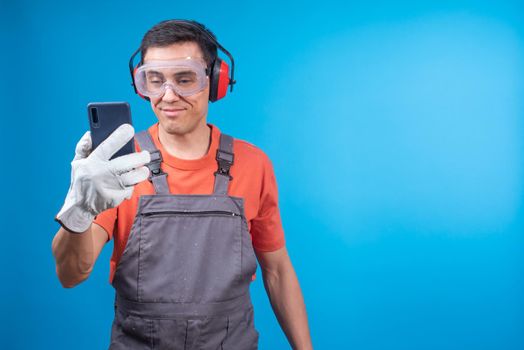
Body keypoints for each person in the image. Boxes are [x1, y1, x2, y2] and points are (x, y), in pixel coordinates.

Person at [51, 19, 312, 349]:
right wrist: (79, 209)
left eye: (184, 79)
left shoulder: (254, 163)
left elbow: (277, 271)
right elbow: (70, 274)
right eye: (154, 81)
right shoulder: (119, 167)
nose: (168, 96)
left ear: (216, 81)